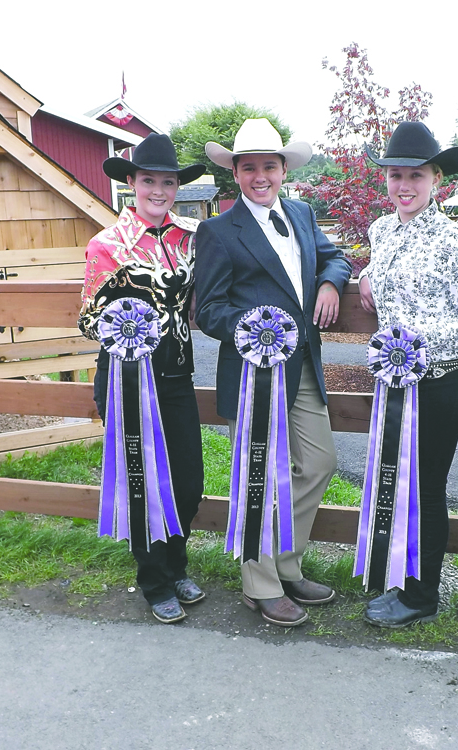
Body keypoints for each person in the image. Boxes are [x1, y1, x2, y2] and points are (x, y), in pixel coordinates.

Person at [194, 118, 352, 628]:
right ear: (234, 174)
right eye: (248, 168)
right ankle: (259, 584)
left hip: (302, 364)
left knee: (320, 462)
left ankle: (286, 561)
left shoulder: (303, 214)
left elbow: (335, 258)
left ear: (284, 169)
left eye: (268, 165)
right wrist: (257, 327)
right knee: (262, 473)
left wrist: (329, 284)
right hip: (253, 372)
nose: (259, 176)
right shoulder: (217, 230)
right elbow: (209, 308)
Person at [357, 122, 458, 628]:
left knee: (425, 487)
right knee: (395, 483)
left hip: (436, 382)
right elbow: (381, 271)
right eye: (395, 175)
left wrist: (414, 341)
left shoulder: (455, 241)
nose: (404, 185)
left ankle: (421, 595)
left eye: (415, 175)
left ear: (437, 178)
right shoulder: (382, 229)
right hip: (393, 384)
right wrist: (366, 275)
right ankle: (397, 574)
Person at [78, 133, 207, 624]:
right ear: (131, 183)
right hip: (127, 379)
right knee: (144, 483)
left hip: (175, 376)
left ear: (177, 187)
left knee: (188, 483)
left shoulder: (189, 237)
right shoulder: (106, 245)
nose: (158, 189)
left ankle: (176, 565)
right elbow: (89, 319)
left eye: (167, 182)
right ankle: (154, 580)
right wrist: (131, 328)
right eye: (148, 180)